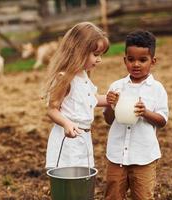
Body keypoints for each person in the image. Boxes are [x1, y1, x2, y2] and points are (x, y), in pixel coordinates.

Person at [104, 30, 169, 200]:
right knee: (113, 195)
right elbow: (108, 119)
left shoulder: (157, 89)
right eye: (131, 59)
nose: (136, 64)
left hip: (144, 157)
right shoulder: (117, 86)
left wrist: (145, 112)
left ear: (153, 61)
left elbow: (162, 120)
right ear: (124, 60)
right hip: (117, 155)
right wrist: (112, 105)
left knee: (143, 196)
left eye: (142, 60)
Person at [44, 22, 109, 169]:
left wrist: (112, 99)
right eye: (96, 55)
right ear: (79, 51)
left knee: (82, 181)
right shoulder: (64, 77)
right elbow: (52, 109)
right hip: (66, 140)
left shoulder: (84, 76)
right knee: (67, 182)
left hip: (84, 138)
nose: (99, 60)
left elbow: (92, 99)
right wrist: (66, 123)